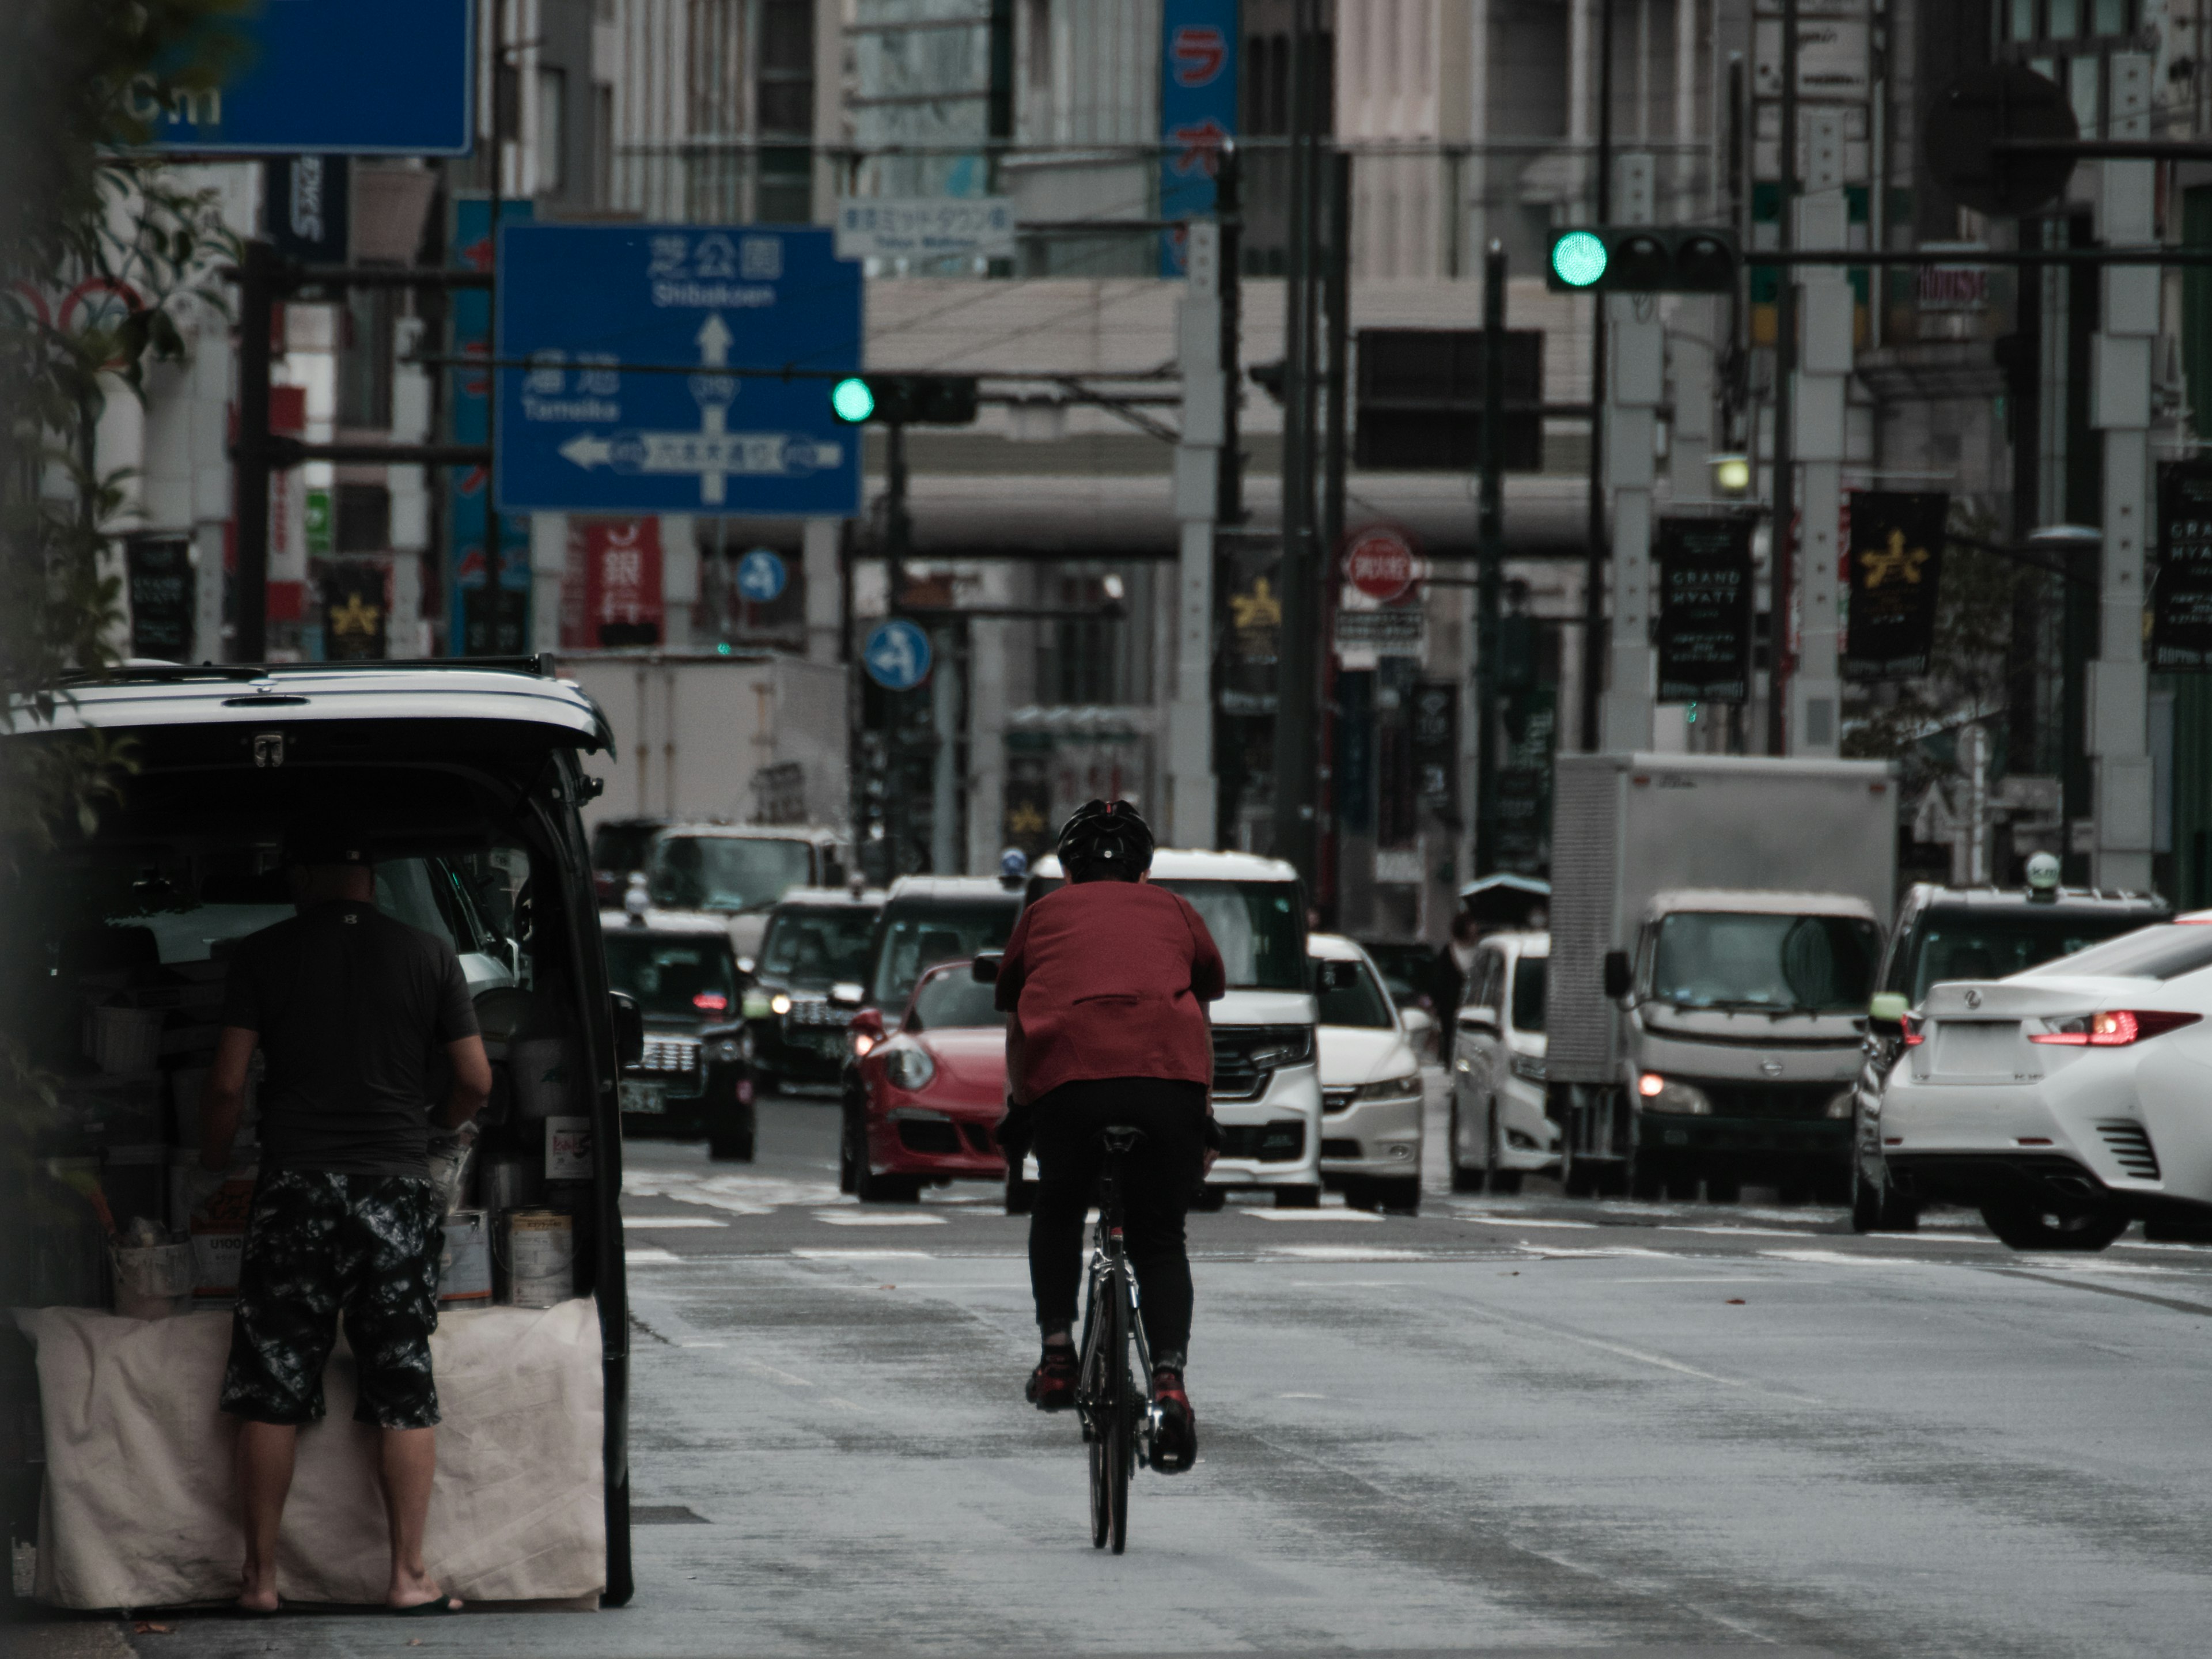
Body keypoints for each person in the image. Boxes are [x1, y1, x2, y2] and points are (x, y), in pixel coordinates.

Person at [198, 816, 492, 1616]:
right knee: (402, 1379)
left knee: (272, 1382)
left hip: (295, 1187)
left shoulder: (263, 955)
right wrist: (427, 1128)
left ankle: (259, 1581)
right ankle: (407, 1577)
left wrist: (213, 1158)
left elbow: (226, 1086)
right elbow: (476, 1078)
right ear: (374, 877)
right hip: (393, 1189)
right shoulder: (430, 955)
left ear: (305, 876)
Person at [993, 800, 1224, 1473]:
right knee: (1159, 1235)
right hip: (1167, 1084)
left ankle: (1059, 1352)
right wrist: (1203, 1116)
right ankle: (1171, 1380)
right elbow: (1201, 1007)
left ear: (1067, 871)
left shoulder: (1041, 916)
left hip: (1070, 1081)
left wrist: (1019, 1107)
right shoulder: (1177, 911)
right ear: (1145, 871)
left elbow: (1015, 1021)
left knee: (1060, 1204)